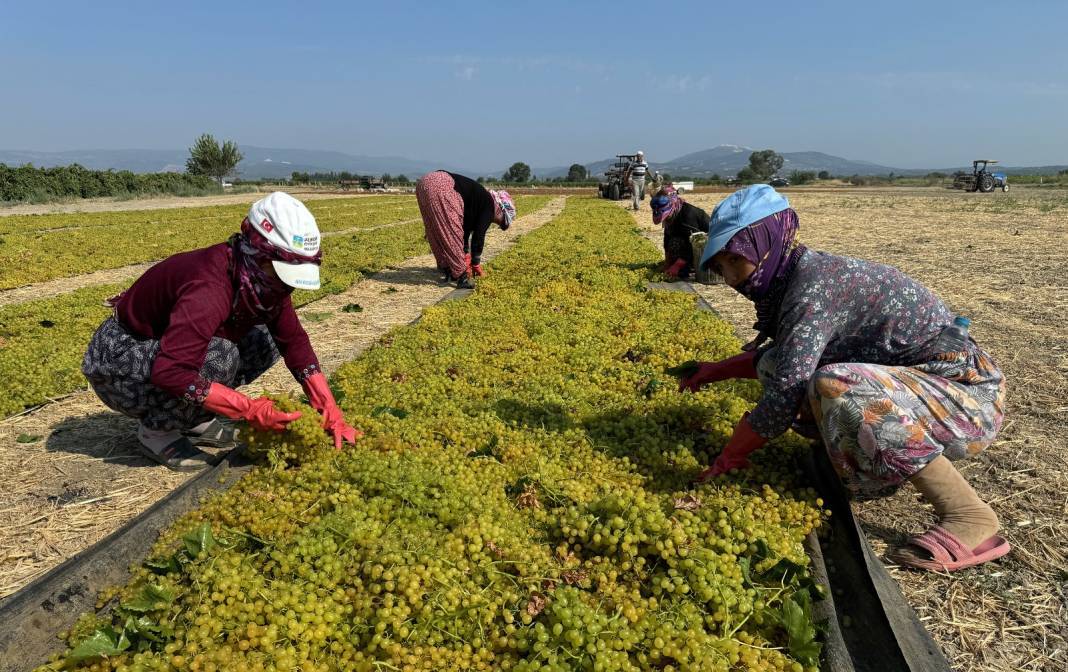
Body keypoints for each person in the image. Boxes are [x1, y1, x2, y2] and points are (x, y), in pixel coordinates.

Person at [677, 184, 1010, 572]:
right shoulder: (794, 279)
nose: (733, 277)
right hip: (915, 389)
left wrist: (731, 453)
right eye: (722, 267)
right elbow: (782, 361)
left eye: (737, 260)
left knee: (833, 385)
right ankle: (862, 456)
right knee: (781, 366)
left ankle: (971, 517)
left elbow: (786, 394)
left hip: (965, 399)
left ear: (767, 243)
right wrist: (714, 371)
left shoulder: (813, 288)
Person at [82, 192, 361, 471]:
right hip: (119, 360)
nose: (285, 286)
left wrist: (327, 405)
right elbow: (172, 371)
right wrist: (249, 410)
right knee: (220, 356)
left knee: (265, 340)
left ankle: (193, 417)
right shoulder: (209, 287)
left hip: (164, 348)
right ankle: (157, 432)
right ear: (258, 253)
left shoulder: (259, 280)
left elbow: (293, 341)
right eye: (280, 273)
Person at [415, 171, 516, 289]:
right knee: (451, 232)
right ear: (501, 210)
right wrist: (476, 263)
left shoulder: (477, 202)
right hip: (442, 185)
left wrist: (466, 254)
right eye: (500, 221)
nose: (496, 222)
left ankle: (448, 269)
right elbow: (478, 237)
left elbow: (464, 231)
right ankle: (461, 277)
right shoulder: (489, 206)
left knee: (435, 229)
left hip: (424, 183)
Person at [650, 184, 710, 279]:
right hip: (687, 241)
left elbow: (694, 242)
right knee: (672, 241)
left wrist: (677, 265)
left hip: (705, 246)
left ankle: (691, 266)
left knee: (677, 244)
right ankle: (682, 264)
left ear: (672, 204)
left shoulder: (687, 215)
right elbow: (667, 237)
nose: (666, 219)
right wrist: (667, 263)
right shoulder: (671, 217)